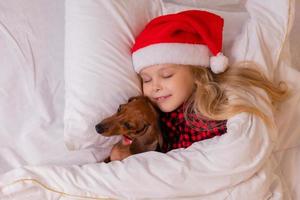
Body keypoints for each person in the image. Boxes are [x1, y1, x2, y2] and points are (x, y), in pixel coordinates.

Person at [110, 10, 288, 159]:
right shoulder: (159, 116)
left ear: (196, 74)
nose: (154, 86)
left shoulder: (204, 115)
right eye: (146, 79)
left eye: (166, 75)